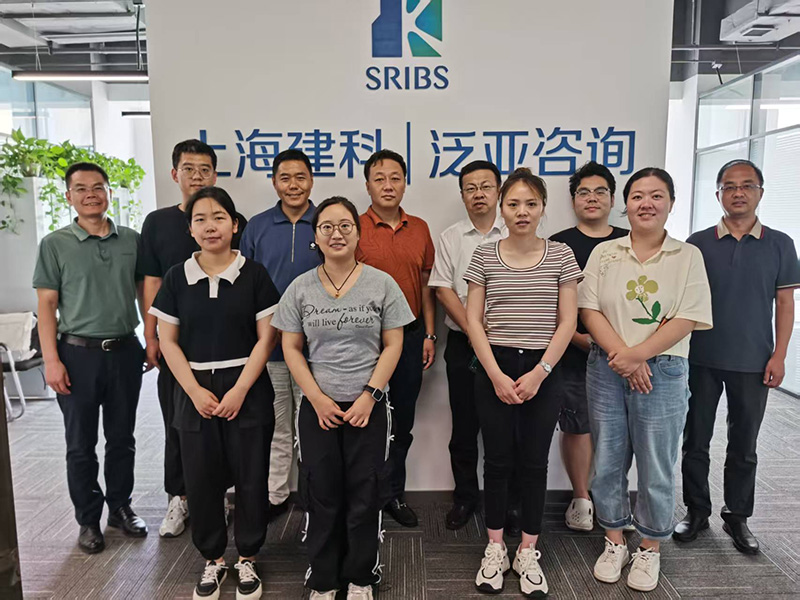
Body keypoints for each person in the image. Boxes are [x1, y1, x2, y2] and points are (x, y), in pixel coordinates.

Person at [272, 197, 414, 600]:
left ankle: (361, 577)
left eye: (345, 226)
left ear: (358, 232)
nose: (336, 234)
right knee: (322, 494)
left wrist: (370, 395)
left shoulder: (382, 284)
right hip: (318, 408)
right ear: (316, 237)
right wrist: (316, 398)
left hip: (369, 406)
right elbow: (291, 348)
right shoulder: (300, 288)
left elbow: (394, 344)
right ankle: (323, 578)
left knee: (365, 494)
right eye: (327, 227)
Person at [579, 167, 712, 592]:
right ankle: (615, 539)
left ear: (671, 203)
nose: (646, 204)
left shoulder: (687, 256)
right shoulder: (606, 253)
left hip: (664, 371)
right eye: (637, 196)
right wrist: (625, 357)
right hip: (606, 367)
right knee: (607, 459)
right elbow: (588, 309)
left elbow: (688, 317)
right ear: (626, 204)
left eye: (656, 195)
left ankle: (650, 545)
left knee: (656, 463)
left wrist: (638, 356)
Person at [150, 187, 279, 600]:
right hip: (193, 390)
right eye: (201, 219)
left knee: (251, 476)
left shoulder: (254, 274)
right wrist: (193, 390)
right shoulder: (177, 277)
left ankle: (248, 558)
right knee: (201, 478)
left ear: (235, 225)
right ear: (190, 229)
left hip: (247, 387)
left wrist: (240, 389)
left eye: (219, 217)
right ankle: (213, 559)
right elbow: (167, 341)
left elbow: (267, 339)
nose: (210, 226)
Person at [465, 167, 581, 597]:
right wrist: (495, 374)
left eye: (531, 203)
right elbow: (473, 321)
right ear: (502, 208)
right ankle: (495, 546)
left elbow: (568, 321)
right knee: (497, 462)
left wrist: (540, 372)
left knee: (534, 463)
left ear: (543, 207)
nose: (522, 211)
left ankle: (528, 550)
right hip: (493, 366)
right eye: (513, 203)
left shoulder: (561, 256)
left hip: (544, 369)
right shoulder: (484, 255)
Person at [676, 159, 800, 554]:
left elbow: (785, 303)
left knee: (743, 444)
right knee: (695, 440)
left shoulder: (780, 243)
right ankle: (696, 511)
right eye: (729, 186)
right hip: (700, 358)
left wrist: (780, 355)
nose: (738, 192)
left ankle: (737, 516)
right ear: (718, 194)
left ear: (760, 192)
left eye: (747, 185)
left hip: (753, 359)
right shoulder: (698, 243)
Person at [33, 162, 148, 554]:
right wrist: (51, 360)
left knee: (122, 438)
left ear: (109, 193)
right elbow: (47, 305)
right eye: (81, 189)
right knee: (80, 443)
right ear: (69, 196)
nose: (90, 195)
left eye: (98, 187)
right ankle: (87, 519)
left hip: (124, 350)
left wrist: (150, 338)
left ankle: (120, 507)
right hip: (76, 354)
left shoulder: (131, 239)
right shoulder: (54, 244)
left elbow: (144, 292)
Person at [140, 139, 247, 538]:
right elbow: (150, 281)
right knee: (177, 423)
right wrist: (150, 333)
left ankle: (216, 497)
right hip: (174, 343)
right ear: (175, 174)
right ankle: (179, 497)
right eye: (189, 169)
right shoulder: (157, 223)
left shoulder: (233, 220)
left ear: (215, 175)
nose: (197, 176)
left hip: (221, 345)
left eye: (205, 169)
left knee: (220, 428)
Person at [356, 149, 436, 528]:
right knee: (362, 418)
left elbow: (426, 284)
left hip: (410, 336)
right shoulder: (353, 227)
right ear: (367, 185)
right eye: (379, 179)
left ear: (405, 183)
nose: (388, 185)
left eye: (395, 178)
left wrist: (430, 333)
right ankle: (362, 496)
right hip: (363, 341)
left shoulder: (419, 228)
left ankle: (393, 494)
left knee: (401, 422)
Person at [240, 148, 321, 521]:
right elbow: (245, 284)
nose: (293, 185)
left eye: (300, 177)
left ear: (311, 180)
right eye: (285, 178)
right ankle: (275, 496)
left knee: (313, 424)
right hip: (269, 347)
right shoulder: (256, 226)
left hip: (315, 349)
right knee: (276, 425)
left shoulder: (325, 223)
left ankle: (313, 494)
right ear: (274, 182)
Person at [429, 160, 509, 531]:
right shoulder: (451, 237)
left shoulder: (516, 231)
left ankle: (505, 502)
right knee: (464, 426)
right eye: (470, 188)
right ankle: (465, 498)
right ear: (462, 195)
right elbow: (443, 290)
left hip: (510, 344)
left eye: (486, 186)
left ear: (499, 191)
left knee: (506, 427)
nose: (479, 194)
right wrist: (474, 330)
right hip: (463, 344)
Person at [550, 161, 627, 532]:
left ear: (612, 198)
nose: (592, 198)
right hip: (573, 351)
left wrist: (622, 350)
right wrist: (581, 340)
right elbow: (550, 304)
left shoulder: (631, 239)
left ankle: (613, 500)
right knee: (578, 425)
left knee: (620, 430)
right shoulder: (558, 244)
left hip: (627, 355)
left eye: (600, 192)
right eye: (584, 192)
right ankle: (581, 498)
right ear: (573, 200)